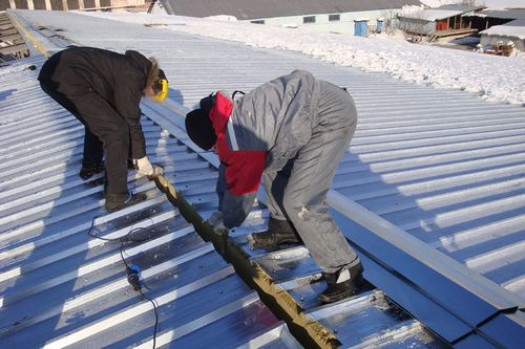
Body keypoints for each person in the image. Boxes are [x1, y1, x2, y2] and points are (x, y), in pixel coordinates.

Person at [185, 69, 363, 303]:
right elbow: (234, 167)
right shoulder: (228, 118)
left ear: (213, 138)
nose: (215, 152)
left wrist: (224, 221)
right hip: (312, 110)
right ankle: (284, 228)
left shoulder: (239, 135)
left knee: (301, 201)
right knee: (268, 166)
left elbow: (242, 189)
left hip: (330, 116)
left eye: (212, 148)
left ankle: (345, 269)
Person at [38, 46, 169, 212]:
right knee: (115, 130)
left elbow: (121, 113)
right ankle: (117, 197)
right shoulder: (134, 75)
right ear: (155, 80)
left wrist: (132, 157)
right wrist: (141, 157)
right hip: (65, 75)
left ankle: (92, 167)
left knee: (103, 121)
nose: (152, 95)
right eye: (156, 91)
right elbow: (130, 120)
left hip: (57, 72)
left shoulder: (131, 68)